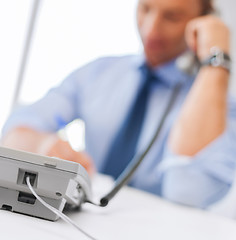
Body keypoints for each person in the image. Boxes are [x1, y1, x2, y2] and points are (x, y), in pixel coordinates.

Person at [1, 0, 236, 209]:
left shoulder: (217, 106)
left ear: (202, 22)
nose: (151, 29)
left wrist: (216, 61)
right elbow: (17, 128)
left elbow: (189, 192)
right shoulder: (98, 73)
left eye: (172, 17)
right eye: (145, 8)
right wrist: (43, 145)